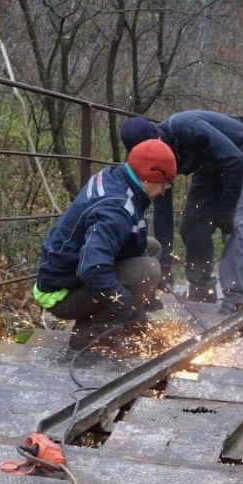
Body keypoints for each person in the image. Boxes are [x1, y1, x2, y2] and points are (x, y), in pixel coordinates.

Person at [32, 139, 177, 349]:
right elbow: (92, 270)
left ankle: (120, 322)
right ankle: (92, 334)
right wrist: (131, 311)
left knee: (152, 247)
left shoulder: (117, 178)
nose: (164, 191)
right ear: (149, 177)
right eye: (165, 184)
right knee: (148, 269)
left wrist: (150, 303)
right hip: (59, 293)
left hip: (67, 272)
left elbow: (130, 241)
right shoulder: (116, 209)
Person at [120, 111, 243, 315]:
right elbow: (163, 214)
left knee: (234, 224)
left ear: (157, 141)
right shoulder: (151, 161)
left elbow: (234, 160)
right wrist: (163, 268)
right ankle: (202, 291)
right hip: (209, 167)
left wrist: (226, 208)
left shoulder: (188, 128)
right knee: (192, 226)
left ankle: (235, 298)